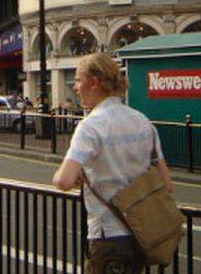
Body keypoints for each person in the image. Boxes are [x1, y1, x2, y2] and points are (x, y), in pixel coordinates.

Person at [53, 53, 173, 274]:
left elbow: (63, 180)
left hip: (108, 237)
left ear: (95, 82)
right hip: (140, 236)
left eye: (79, 80)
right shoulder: (143, 122)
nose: (76, 87)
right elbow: (166, 183)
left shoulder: (90, 126)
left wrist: (74, 174)